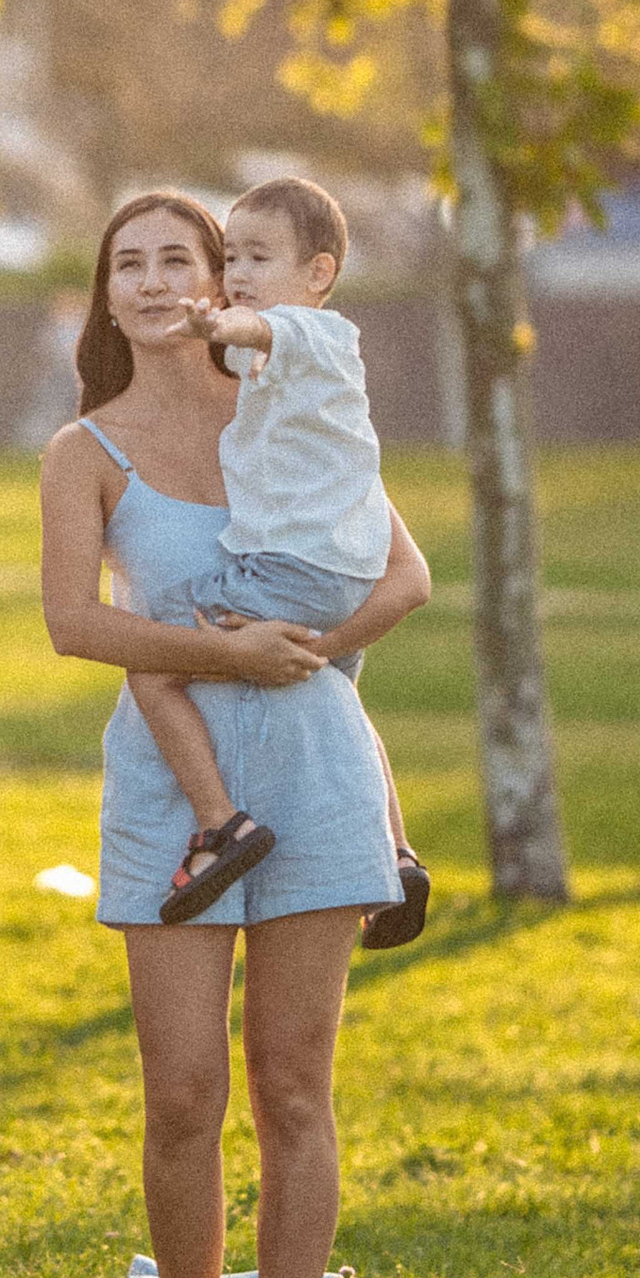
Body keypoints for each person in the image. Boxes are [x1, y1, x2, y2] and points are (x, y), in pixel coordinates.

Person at [38, 190, 431, 1278]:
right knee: (183, 1095)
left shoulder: (290, 413)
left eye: (181, 260)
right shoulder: (84, 450)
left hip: (311, 774)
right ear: (106, 295)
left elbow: (405, 575)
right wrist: (230, 655)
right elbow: (72, 623)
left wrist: (301, 654)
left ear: (222, 281)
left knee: (293, 1086)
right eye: (131, 265)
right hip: (173, 795)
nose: (157, 283)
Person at [121, 173, 425, 934]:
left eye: (257, 258)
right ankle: (395, 855)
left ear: (319, 273)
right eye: (230, 259)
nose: (236, 277)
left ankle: (222, 826)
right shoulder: (295, 369)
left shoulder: (316, 332)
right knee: (345, 706)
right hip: (343, 573)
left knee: (155, 656)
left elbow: (256, 333)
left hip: (295, 571)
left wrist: (210, 325)